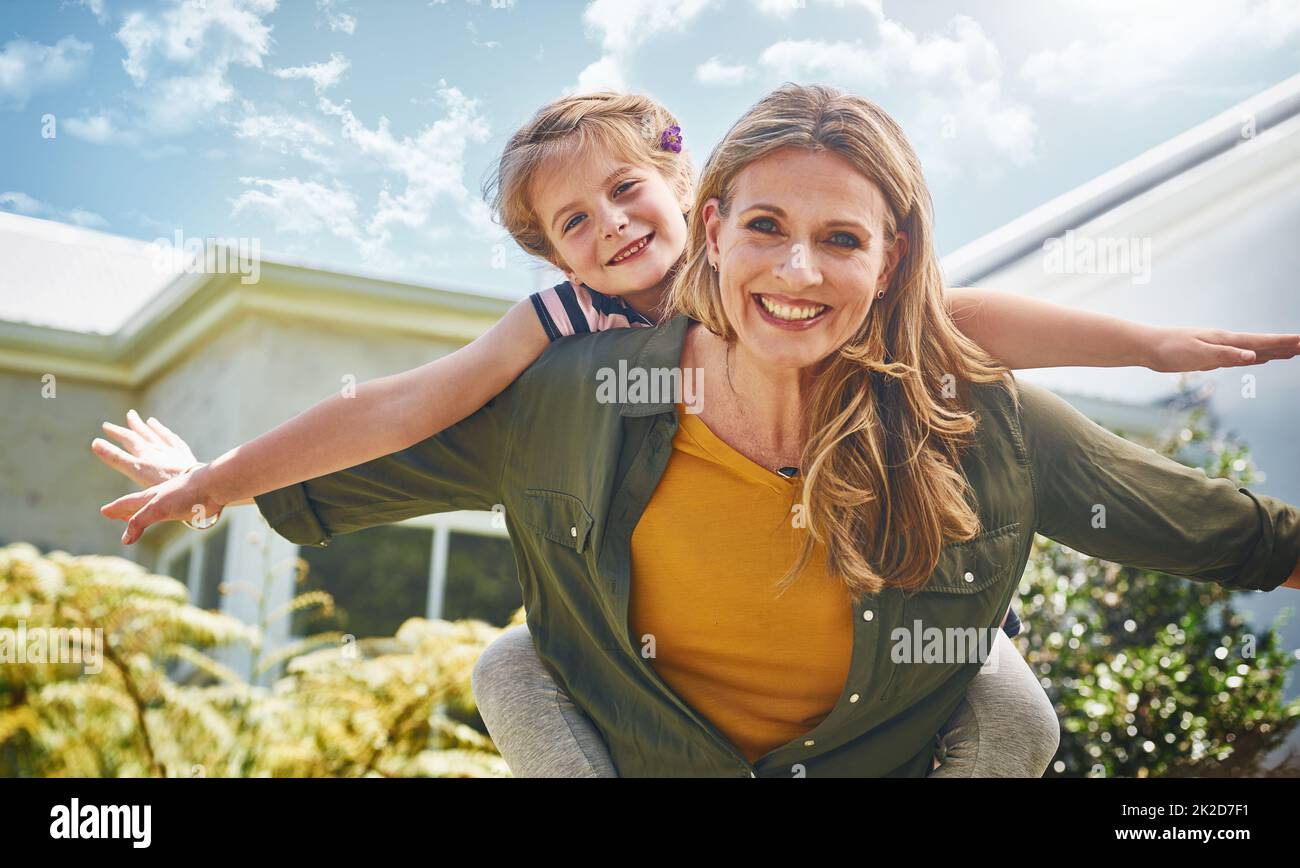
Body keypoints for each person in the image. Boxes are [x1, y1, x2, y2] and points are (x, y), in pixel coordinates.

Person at [95, 86, 1300, 777]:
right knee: (512, 662)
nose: (612, 231)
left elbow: (963, 324)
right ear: (720, 224)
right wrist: (211, 477)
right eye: (573, 220)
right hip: (649, 728)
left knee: (1012, 711)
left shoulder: (942, 380)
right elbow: (392, 415)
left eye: (841, 242)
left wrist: (1149, 345)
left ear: (680, 195)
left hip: (899, 708)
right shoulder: (559, 365)